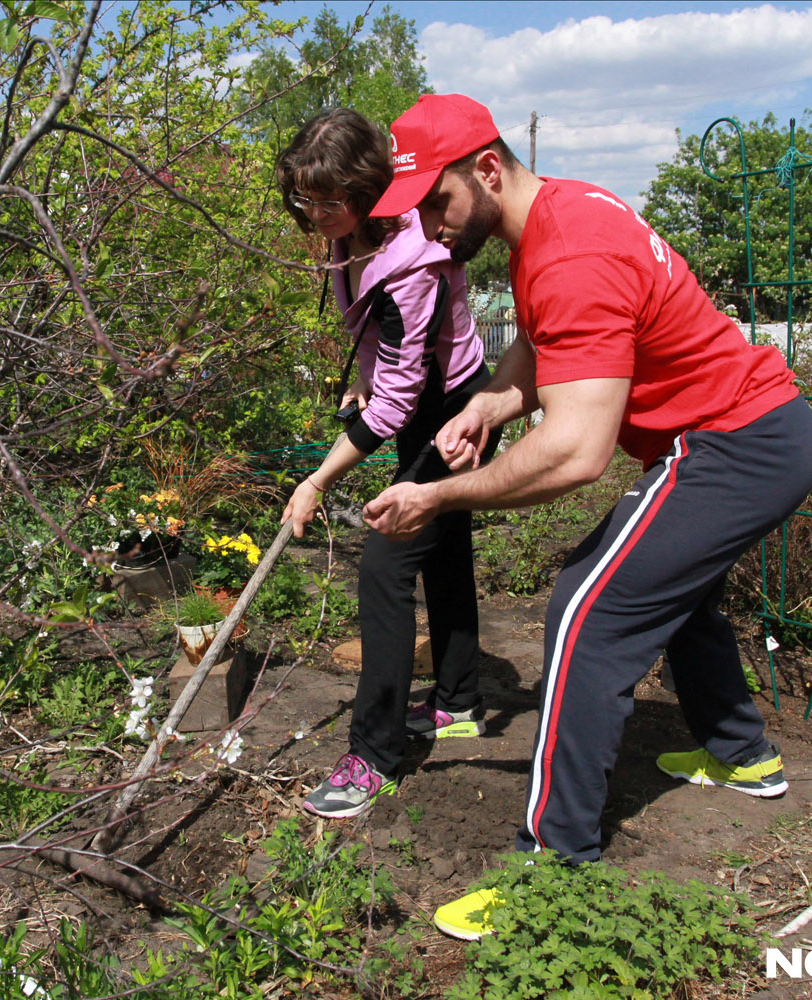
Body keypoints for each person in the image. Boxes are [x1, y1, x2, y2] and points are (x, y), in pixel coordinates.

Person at [360, 94, 812, 937]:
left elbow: (577, 452)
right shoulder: (558, 217)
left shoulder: (569, 251)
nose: (428, 225)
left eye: (437, 200)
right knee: (670, 588)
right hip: (750, 433)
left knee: (589, 607)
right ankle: (743, 756)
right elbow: (549, 343)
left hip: (735, 443)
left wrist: (435, 496)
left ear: (488, 169)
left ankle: (553, 866)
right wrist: (492, 405)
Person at [275, 108, 499, 818]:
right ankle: (458, 700)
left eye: (327, 200)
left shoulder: (414, 261)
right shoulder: (353, 237)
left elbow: (400, 405)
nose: (313, 215)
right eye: (303, 199)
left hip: (452, 408)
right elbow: (390, 356)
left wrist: (316, 480)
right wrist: (368, 373)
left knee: (386, 562)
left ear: (369, 190)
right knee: (443, 547)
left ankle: (372, 756)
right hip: (421, 395)